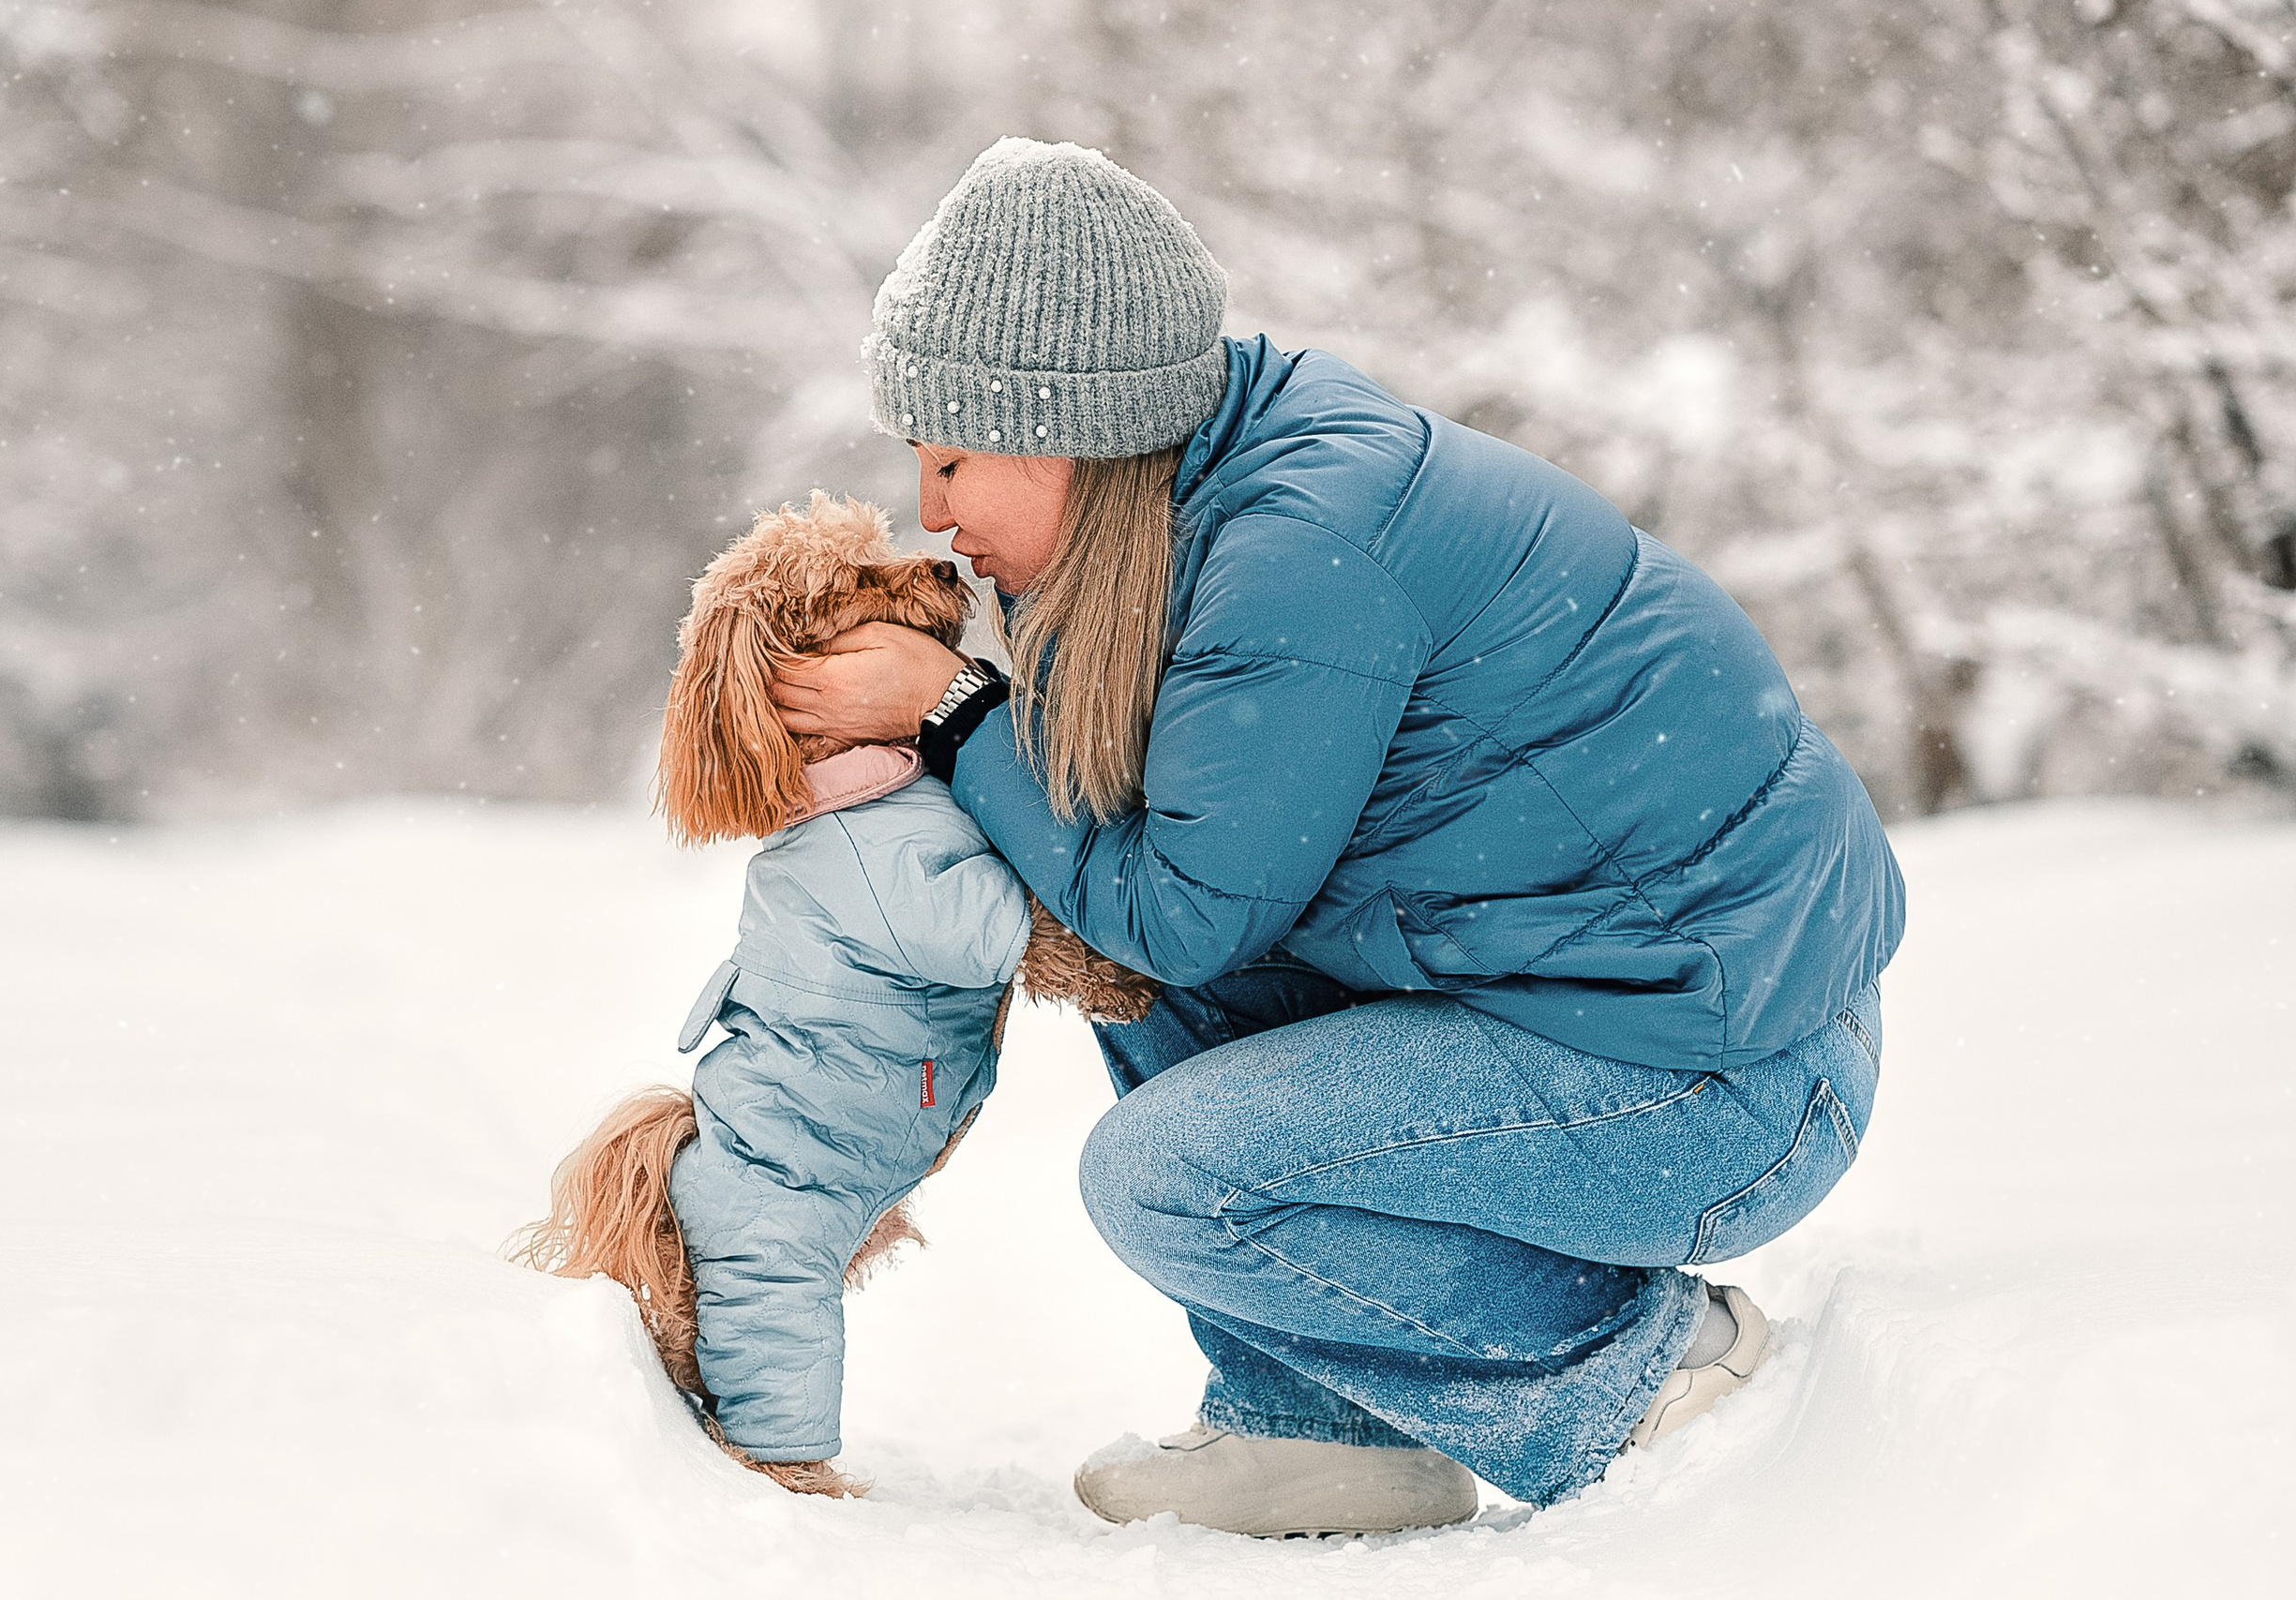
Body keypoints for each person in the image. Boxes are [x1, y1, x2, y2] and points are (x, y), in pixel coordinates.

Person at [772, 138, 1904, 1536]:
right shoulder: (1223, 479)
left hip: (1727, 1085)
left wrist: (953, 710)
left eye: (954, 460)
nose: (933, 514)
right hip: (1640, 1014)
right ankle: (1318, 1432)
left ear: (1077, 431)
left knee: (1163, 1177)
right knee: (1157, 976)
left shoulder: (1293, 553)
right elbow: (1165, 906)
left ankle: (1653, 1383)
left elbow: (1178, 908)